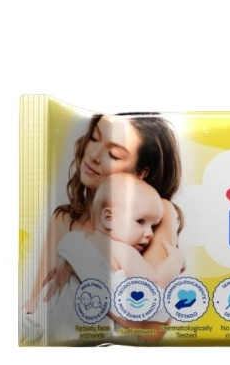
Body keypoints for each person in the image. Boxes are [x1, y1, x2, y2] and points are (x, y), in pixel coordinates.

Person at [22, 111, 184, 342]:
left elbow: (152, 331)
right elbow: (37, 306)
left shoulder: (158, 213)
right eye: (94, 138)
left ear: (140, 173)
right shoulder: (64, 219)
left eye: (114, 154)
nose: (94, 156)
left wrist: (79, 261)